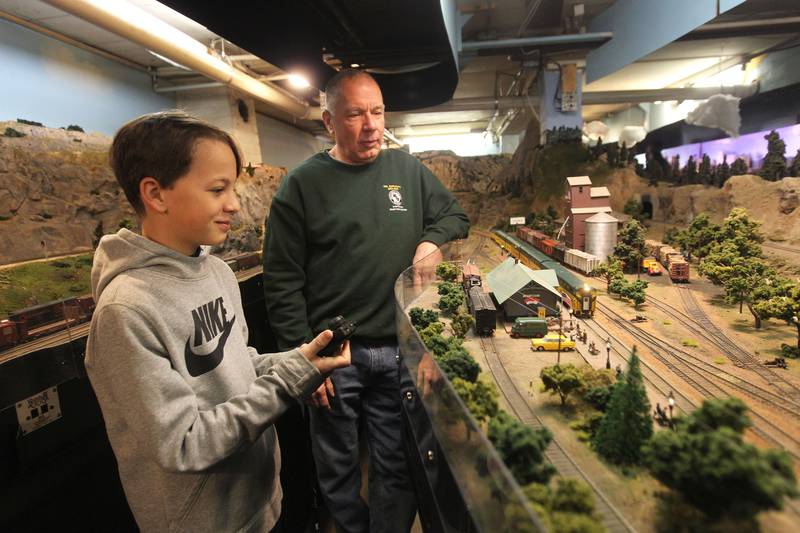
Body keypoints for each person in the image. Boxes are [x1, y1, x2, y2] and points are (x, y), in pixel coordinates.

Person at [85, 111, 351, 533]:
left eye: (234, 187)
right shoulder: (126, 311)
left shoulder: (217, 273)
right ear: (156, 194)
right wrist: (289, 381)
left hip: (261, 501)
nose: (234, 203)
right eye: (217, 189)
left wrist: (301, 361)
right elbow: (184, 444)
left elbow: (238, 363)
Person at [262, 70, 470, 533]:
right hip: (333, 356)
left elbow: (455, 215)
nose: (371, 124)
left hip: (398, 350)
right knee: (336, 468)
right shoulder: (301, 186)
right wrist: (303, 359)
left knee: (395, 465)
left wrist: (431, 243)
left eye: (377, 112)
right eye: (356, 114)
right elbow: (281, 280)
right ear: (329, 121)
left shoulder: (406, 171)